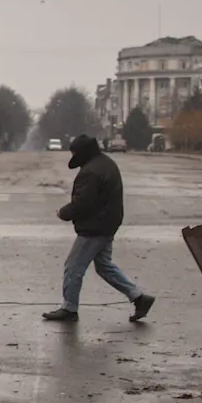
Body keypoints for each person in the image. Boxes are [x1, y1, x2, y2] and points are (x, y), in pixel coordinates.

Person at [43, 133, 155, 324]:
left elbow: (84, 202)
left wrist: (63, 212)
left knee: (73, 267)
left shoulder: (91, 172)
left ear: (81, 153)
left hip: (95, 227)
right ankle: (139, 298)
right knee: (104, 267)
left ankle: (69, 308)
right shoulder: (106, 163)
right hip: (107, 223)